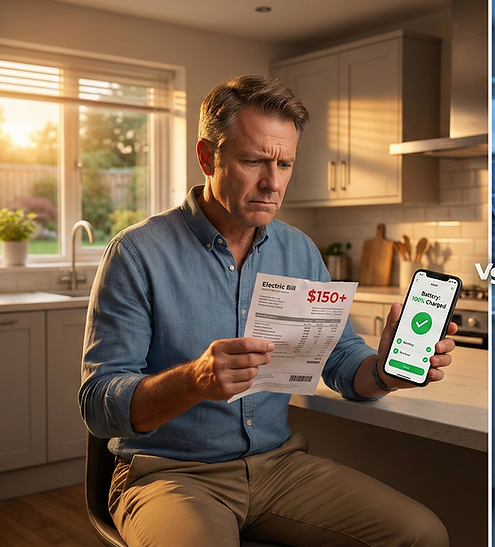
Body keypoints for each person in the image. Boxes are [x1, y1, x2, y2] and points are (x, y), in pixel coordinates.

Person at [78, 74, 455, 547]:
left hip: (280, 467)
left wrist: (384, 371)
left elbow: (340, 361)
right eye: (253, 160)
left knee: (424, 535)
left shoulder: (300, 252)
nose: (272, 182)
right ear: (206, 156)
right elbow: (98, 404)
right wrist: (194, 379)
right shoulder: (137, 253)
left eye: (284, 163)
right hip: (170, 476)